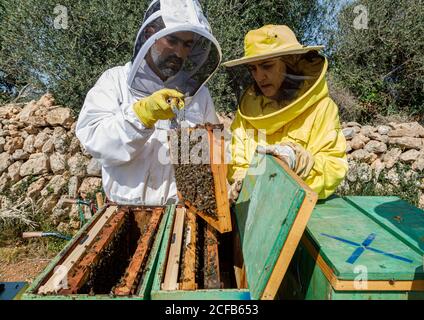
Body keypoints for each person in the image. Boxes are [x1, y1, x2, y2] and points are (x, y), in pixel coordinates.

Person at [76, 0, 222, 206]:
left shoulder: (199, 95)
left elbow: (212, 154)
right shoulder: (114, 81)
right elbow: (95, 142)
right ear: (149, 35)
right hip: (126, 211)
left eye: (187, 44)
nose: (179, 53)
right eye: (172, 40)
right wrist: (141, 115)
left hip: (182, 212)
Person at [224, 25, 348, 201]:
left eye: (267, 66)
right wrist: (242, 184)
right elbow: (239, 163)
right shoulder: (248, 113)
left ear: (290, 62)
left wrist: (299, 162)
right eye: (253, 69)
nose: (259, 76)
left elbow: (334, 167)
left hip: (304, 210)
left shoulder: (322, 108)